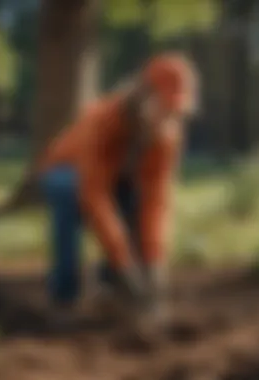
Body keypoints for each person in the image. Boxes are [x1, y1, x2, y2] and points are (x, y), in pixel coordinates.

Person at [36, 52, 199, 318]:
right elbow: (94, 193)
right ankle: (64, 295)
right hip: (66, 172)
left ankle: (112, 288)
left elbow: (156, 200)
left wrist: (154, 262)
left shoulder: (167, 137)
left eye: (175, 111)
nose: (169, 116)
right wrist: (124, 262)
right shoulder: (104, 120)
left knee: (134, 201)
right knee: (68, 190)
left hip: (115, 183)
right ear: (143, 95)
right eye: (164, 106)